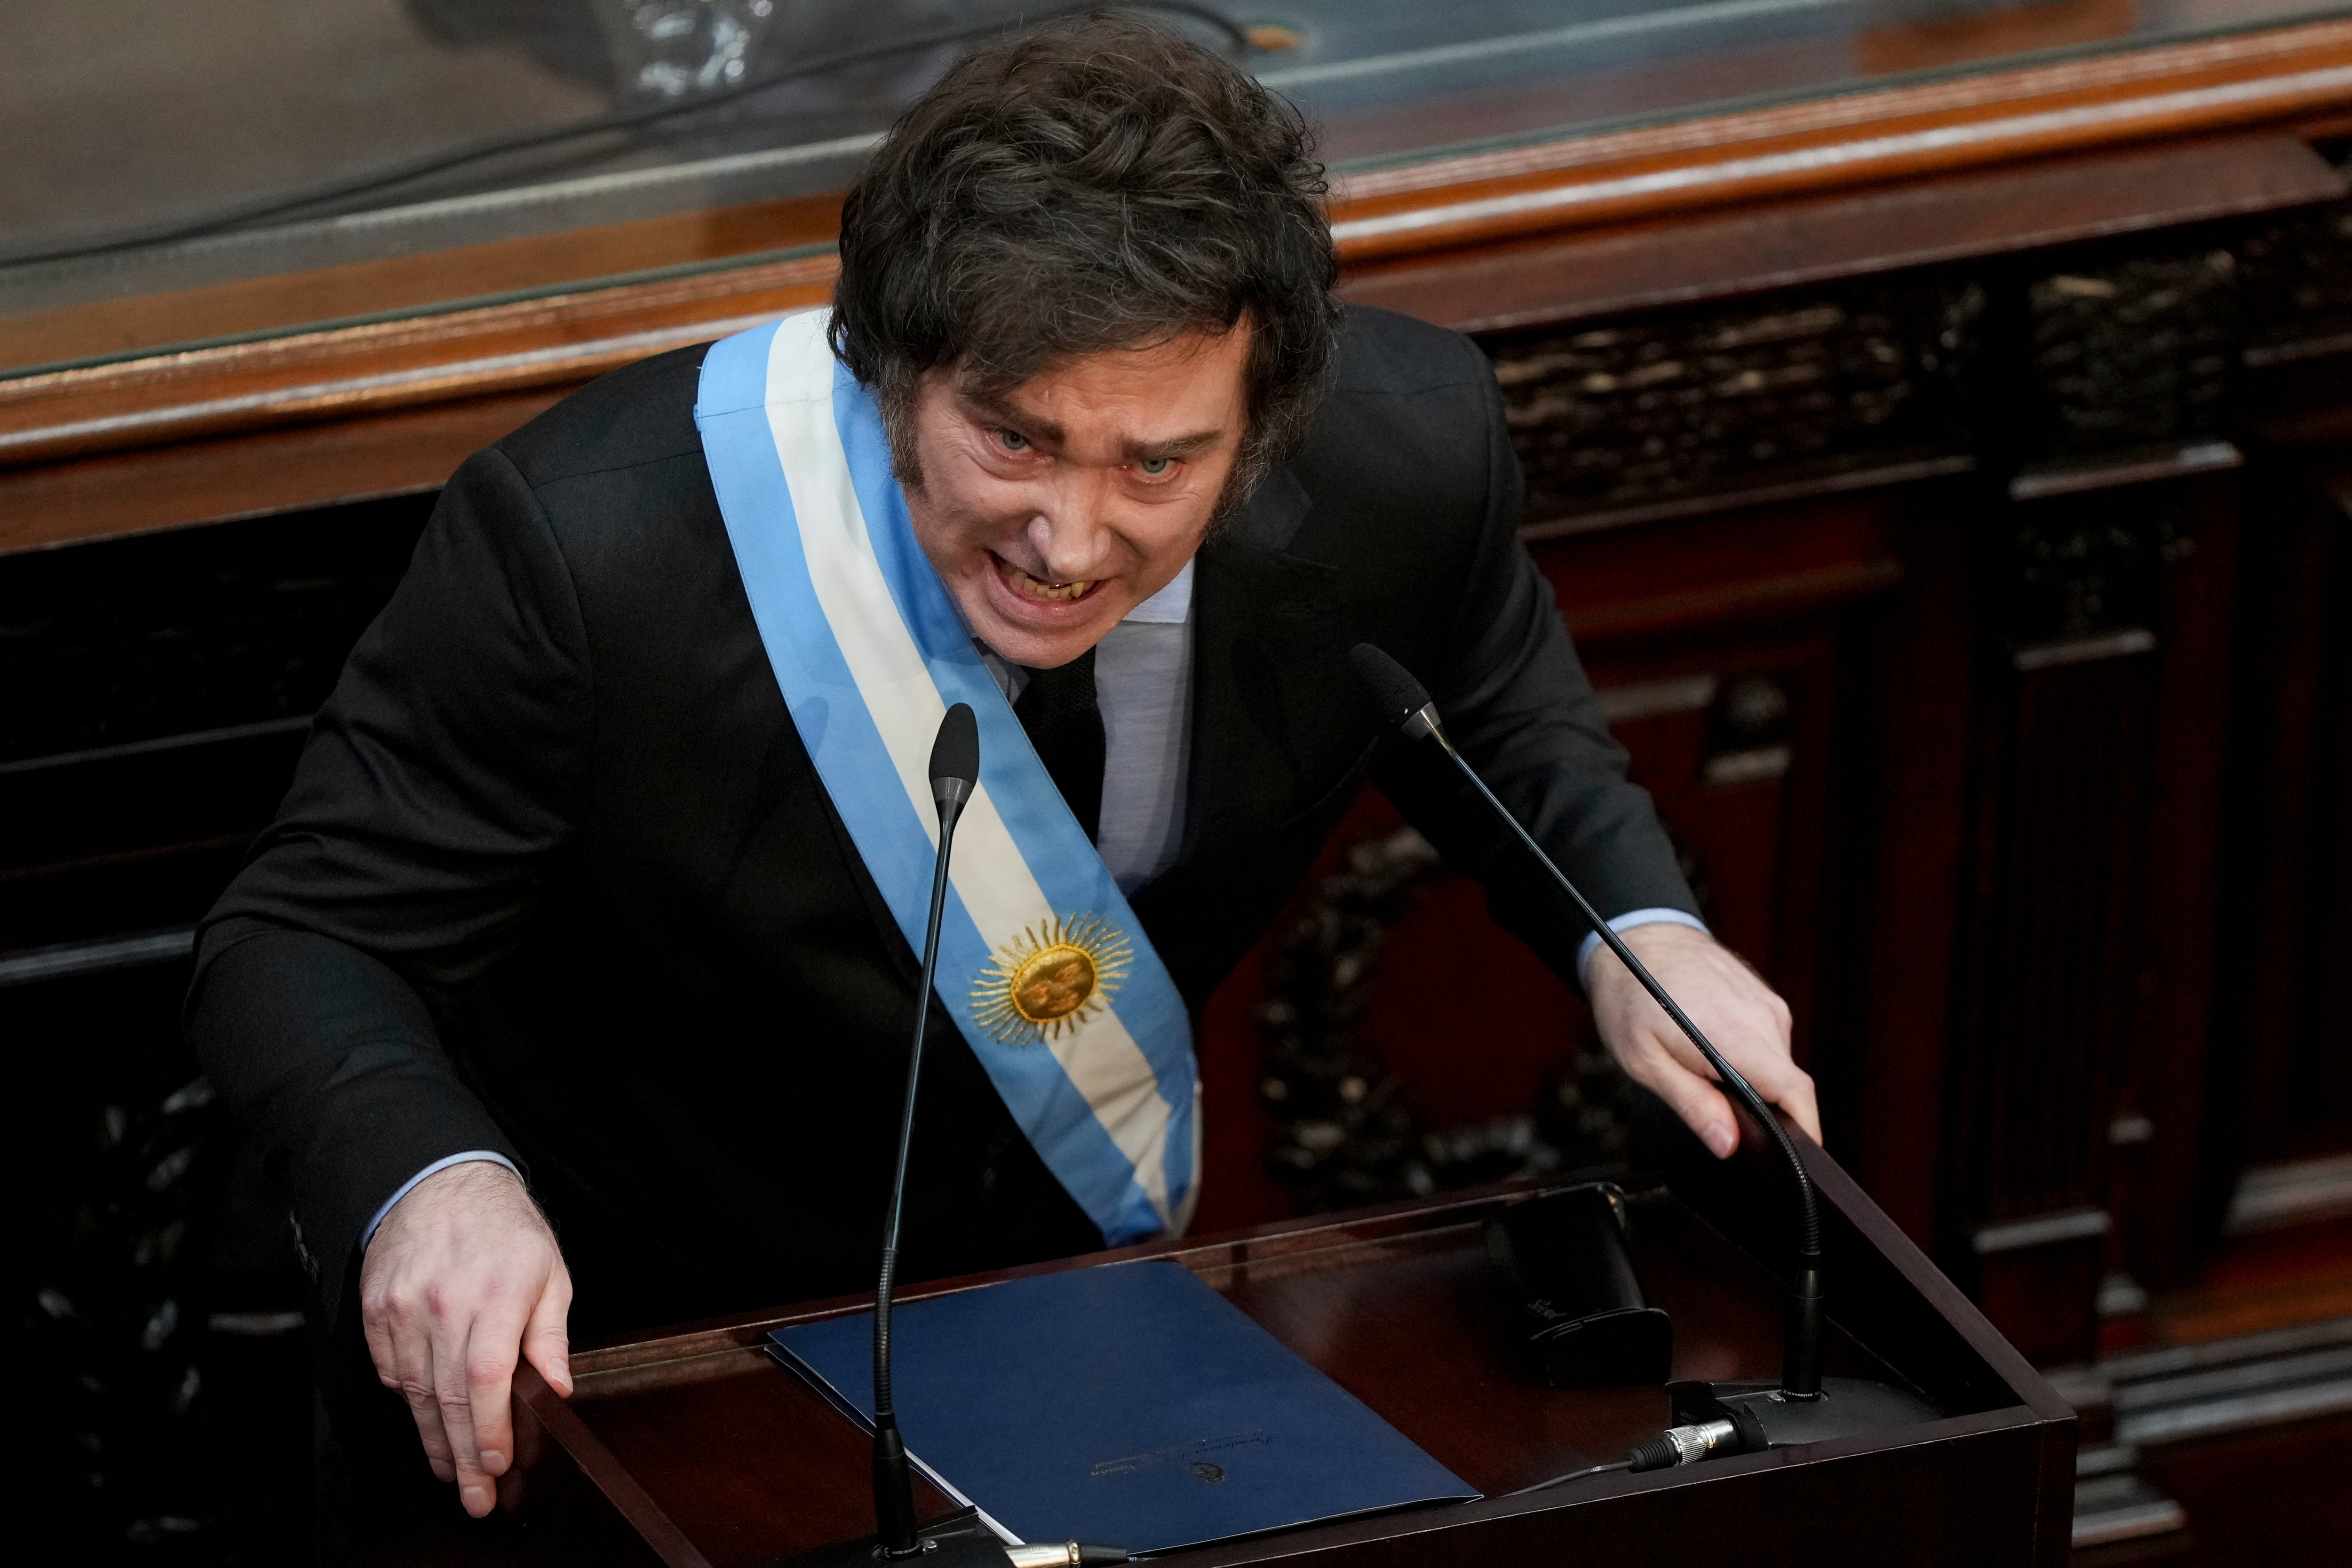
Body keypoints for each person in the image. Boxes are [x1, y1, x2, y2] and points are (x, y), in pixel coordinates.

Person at [188, 12, 1815, 1532]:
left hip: (1071, 1346)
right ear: (893, 369)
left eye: (1157, 463)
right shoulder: (588, 550)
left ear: (1259, 432)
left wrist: (1641, 937)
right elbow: (303, 940)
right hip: (618, 1367)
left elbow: (1507, 709)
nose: (1069, 540)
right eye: (1012, 440)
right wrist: (435, 1186)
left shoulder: (1415, 451)